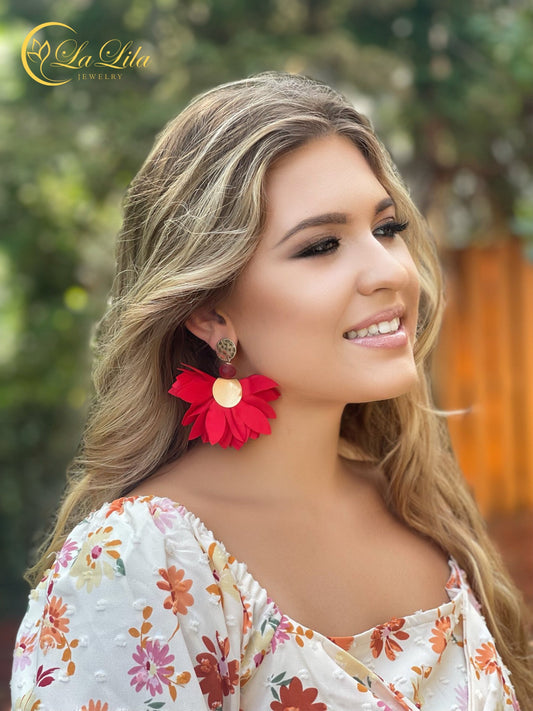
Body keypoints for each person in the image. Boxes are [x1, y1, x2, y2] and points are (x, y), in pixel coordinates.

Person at [11, 70, 532, 711]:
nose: (390, 271)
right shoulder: (141, 564)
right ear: (210, 315)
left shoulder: (420, 504)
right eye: (321, 245)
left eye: (388, 228)